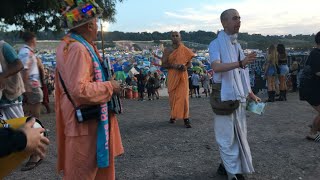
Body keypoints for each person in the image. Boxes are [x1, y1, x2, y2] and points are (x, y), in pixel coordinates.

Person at [55, 1, 123, 179]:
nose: (98, 29)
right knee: (82, 173)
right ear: (90, 24)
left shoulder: (67, 44)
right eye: (96, 23)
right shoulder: (78, 49)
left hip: (84, 122)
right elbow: (80, 90)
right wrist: (111, 86)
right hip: (85, 125)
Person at [209, 9, 261, 180]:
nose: (239, 21)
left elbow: (242, 72)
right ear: (224, 23)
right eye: (234, 18)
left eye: (239, 18)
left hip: (238, 96)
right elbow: (216, 67)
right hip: (224, 96)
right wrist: (241, 62)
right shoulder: (215, 44)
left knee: (238, 134)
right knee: (226, 136)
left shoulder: (236, 45)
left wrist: (250, 93)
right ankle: (233, 173)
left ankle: (225, 166)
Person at [161, 31, 195, 128]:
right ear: (171, 38)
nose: (175, 37)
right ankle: (173, 116)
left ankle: (186, 118)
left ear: (180, 37)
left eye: (177, 36)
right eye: (173, 36)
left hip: (183, 75)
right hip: (172, 75)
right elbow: (164, 64)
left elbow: (189, 63)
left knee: (184, 97)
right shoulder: (167, 50)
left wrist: (185, 67)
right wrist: (174, 66)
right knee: (173, 97)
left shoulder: (184, 49)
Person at [18, 31, 43, 119]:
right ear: (32, 39)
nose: (36, 41)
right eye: (36, 39)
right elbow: (25, 69)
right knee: (36, 104)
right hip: (31, 83)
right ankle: (35, 124)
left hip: (32, 82)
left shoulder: (27, 51)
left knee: (35, 103)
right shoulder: (26, 52)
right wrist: (26, 85)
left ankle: (33, 124)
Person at [301, 31, 320, 142]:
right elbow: (318, 72)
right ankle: (313, 132)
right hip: (310, 89)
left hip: (313, 88)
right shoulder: (316, 54)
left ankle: (313, 131)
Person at [0, 40, 25, 119]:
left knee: (17, 127)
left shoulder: (4, 47)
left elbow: (19, 64)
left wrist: (3, 76)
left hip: (11, 97)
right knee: (4, 128)